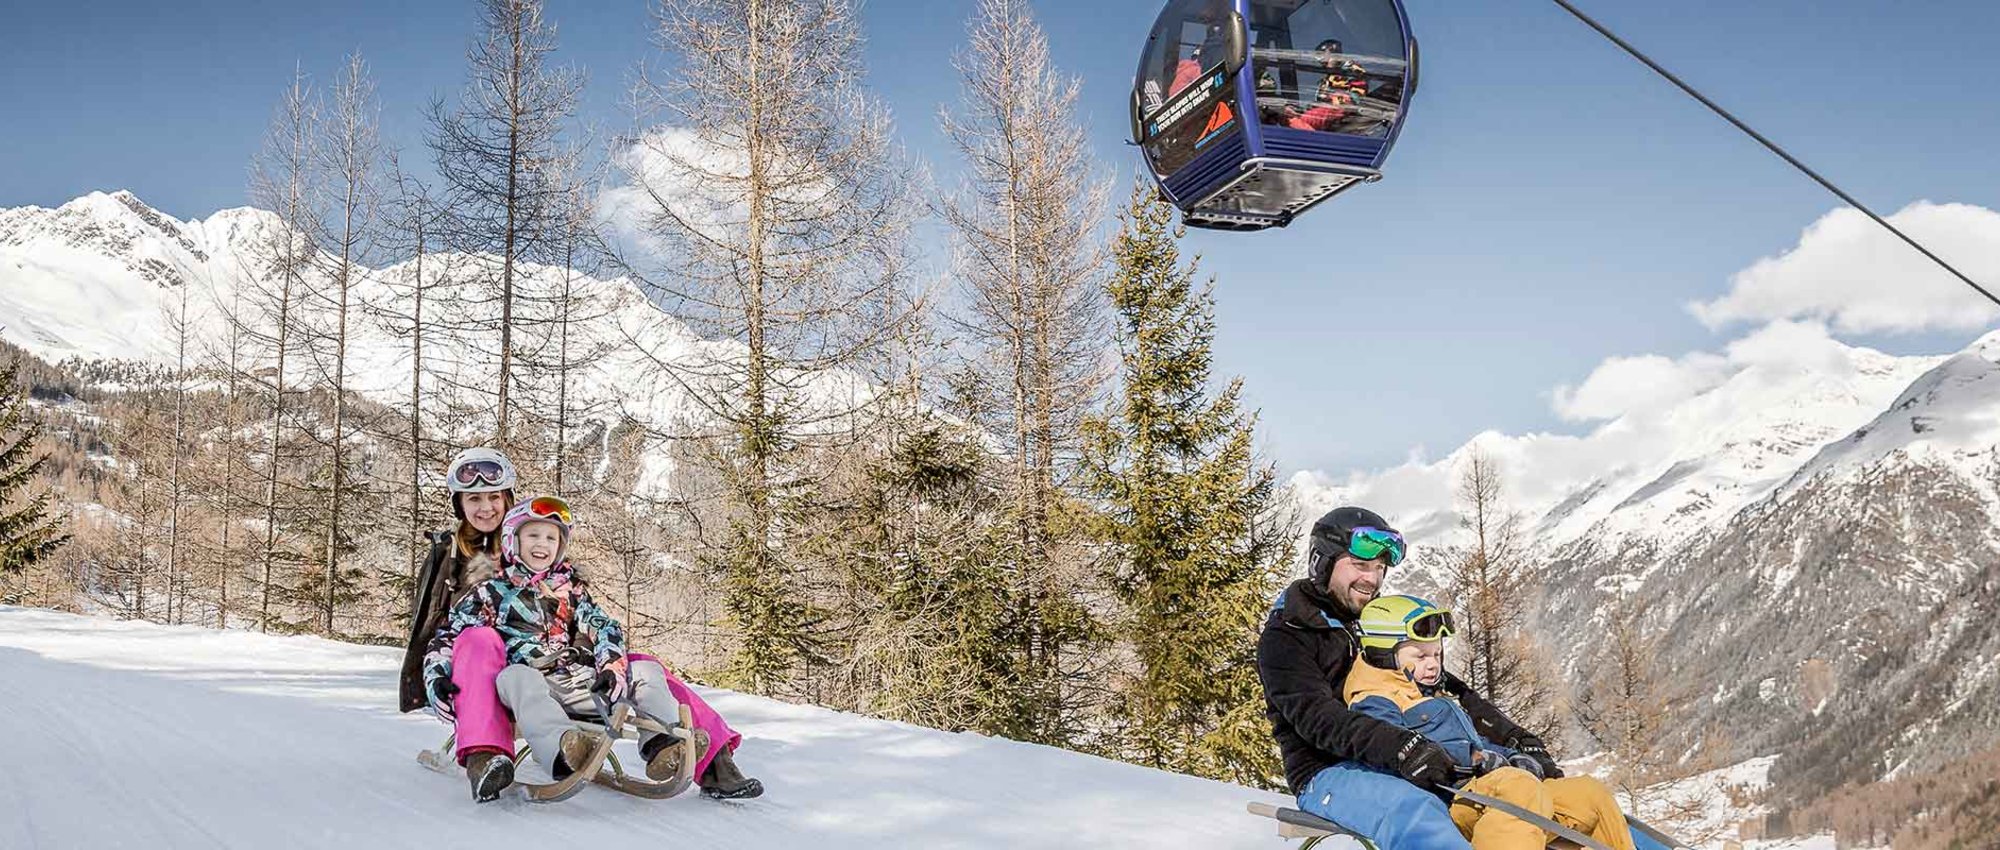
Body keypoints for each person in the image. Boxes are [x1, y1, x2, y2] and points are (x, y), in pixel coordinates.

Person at [402, 447, 762, 802]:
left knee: (643, 668)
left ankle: (704, 757)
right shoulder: (453, 558)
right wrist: (436, 676)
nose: (485, 507)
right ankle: (486, 756)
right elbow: (438, 630)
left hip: (563, 665)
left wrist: (601, 658)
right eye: (474, 498)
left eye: (494, 496)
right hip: (487, 674)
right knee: (481, 640)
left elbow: (586, 618)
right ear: (460, 504)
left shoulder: (544, 549)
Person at [1257, 507, 1547, 850]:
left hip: (1393, 762)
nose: (1372, 579)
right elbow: (1319, 719)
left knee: (1525, 805)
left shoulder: (1369, 624)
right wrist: (1402, 748)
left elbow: (1446, 686)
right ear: (1323, 562)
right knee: (1417, 814)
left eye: (1380, 569)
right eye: (1361, 565)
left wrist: (1516, 738)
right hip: (1328, 774)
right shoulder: (1288, 635)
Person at [424, 496, 707, 793]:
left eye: (551, 538)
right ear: (512, 540)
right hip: (528, 684)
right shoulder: (490, 591)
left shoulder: (571, 592)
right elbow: (450, 636)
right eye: (533, 535)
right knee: (518, 676)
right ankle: (561, 752)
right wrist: (437, 676)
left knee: (646, 669)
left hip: (579, 682)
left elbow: (603, 626)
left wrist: (611, 667)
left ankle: (664, 745)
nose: (542, 544)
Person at [1347, 595, 1668, 850]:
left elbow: (1473, 744)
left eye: (1437, 655)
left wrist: (1510, 755)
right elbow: (1392, 755)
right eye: (1420, 657)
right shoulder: (1375, 701)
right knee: (1517, 787)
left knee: (1587, 793)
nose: (1433, 665)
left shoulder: (1428, 691)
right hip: (1453, 802)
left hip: (1490, 794)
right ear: (1382, 652)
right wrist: (1471, 763)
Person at [1288, 39, 1375, 133]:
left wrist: (1338, 100)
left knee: (1296, 121)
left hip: (1341, 110)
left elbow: (1356, 98)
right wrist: (1299, 109)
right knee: (1288, 116)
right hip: (1326, 114)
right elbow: (1318, 103)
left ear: (1334, 52)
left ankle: (1312, 136)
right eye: (1318, 57)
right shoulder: (1326, 79)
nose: (1321, 61)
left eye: (1322, 55)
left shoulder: (1352, 70)